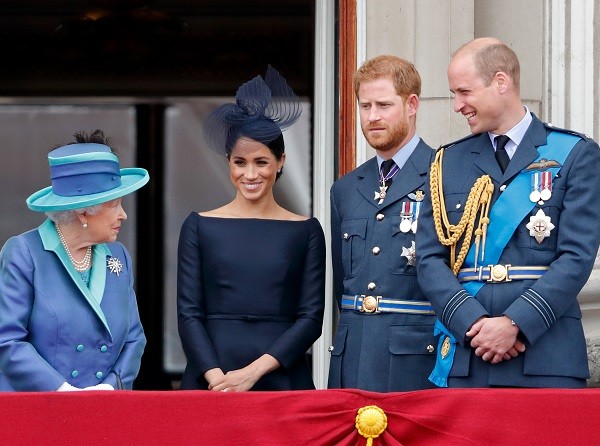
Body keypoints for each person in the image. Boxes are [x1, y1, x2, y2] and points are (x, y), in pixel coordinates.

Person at [416, 37, 600, 388]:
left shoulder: (575, 153)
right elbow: (428, 259)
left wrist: (515, 322)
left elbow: (576, 257)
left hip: (547, 352)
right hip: (468, 352)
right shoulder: (447, 162)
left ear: (501, 82)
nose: (457, 105)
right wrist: (473, 323)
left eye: (464, 92)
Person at [177, 66, 325, 391]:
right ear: (228, 162)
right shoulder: (198, 226)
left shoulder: (307, 231)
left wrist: (252, 373)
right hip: (212, 378)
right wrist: (218, 379)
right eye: (239, 163)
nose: (250, 174)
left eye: (261, 162)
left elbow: (311, 319)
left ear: (281, 161)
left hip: (281, 377)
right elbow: (188, 314)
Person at [0, 129, 149, 391]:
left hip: (104, 408)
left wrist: (111, 386)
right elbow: (7, 339)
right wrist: (61, 391)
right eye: (114, 205)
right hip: (39, 409)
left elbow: (135, 338)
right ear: (83, 211)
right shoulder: (24, 253)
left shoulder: (118, 256)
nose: (123, 215)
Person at [327, 55, 438, 392]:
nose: (372, 117)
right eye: (365, 106)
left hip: (415, 361)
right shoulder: (346, 188)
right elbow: (341, 283)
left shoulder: (442, 175)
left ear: (411, 104)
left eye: (384, 105)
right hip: (351, 357)